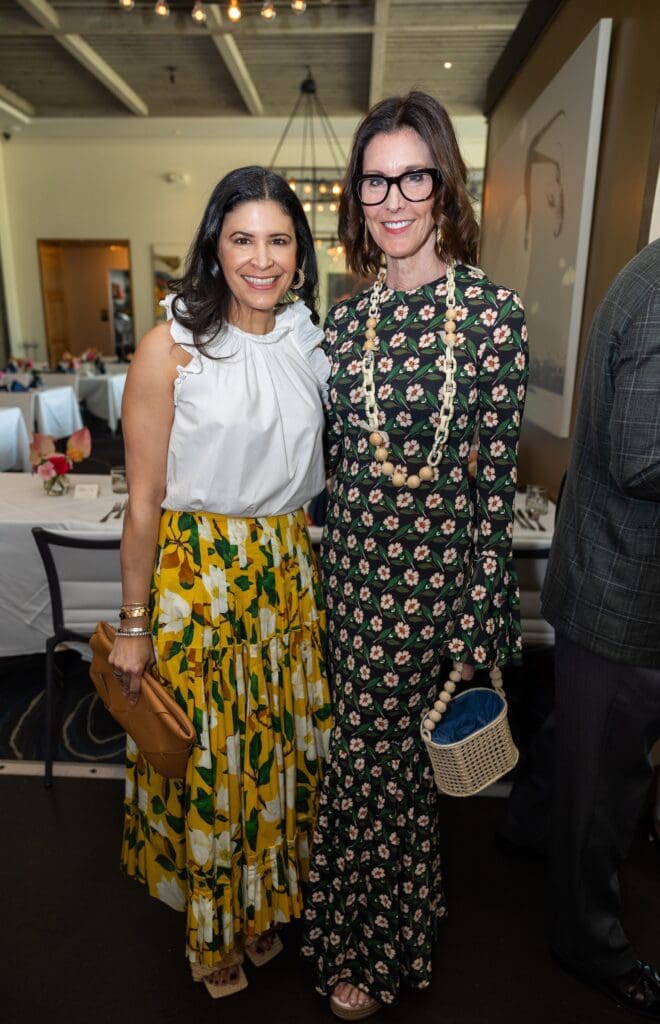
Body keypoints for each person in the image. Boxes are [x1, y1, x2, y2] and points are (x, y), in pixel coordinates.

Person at [301, 91, 529, 1019]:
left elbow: (492, 493)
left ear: (444, 184)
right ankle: (380, 931)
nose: (393, 199)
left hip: (434, 594)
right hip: (352, 586)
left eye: (412, 177)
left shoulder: (493, 319)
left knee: (385, 777)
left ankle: (376, 949)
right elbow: (336, 469)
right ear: (356, 196)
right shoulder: (343, 326)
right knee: (364, 770)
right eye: (374, 181)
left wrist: (475, 629)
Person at [108, 166, 332, 999]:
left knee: (274, 760)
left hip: (286, 578)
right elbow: (142, 503)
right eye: (243, 238)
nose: (262, 258)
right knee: (212, 763)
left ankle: (262, 906)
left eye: (279, 239)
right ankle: (212, 932)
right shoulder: (171, 348)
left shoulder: (312, 341)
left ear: (300, 254)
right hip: (198, 580)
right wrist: (133, 625)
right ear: (215, 245)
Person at [499, 239, 660, 1019]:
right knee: (607, 784)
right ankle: (588, 944)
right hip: (625, 590)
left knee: (578, 742)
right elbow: (642, 457)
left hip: (605, 575)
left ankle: (526, 828)